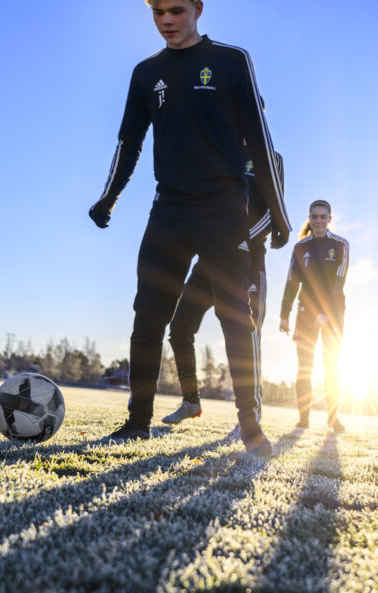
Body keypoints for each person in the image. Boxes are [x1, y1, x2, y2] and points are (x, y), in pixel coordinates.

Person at [88, 0, 290, 456]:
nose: (166, 21)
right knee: (148, 319)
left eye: (176, 10)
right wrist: (109, 197)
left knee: (235, 318)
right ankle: (137, 421)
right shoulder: (145, 73)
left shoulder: (231, 61)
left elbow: (261, 139)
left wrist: (278, 215)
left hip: (223, 213)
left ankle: (250, 428)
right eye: (157, 12)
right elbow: (129, 142)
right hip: (168, 213)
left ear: (198, 8)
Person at [162, 152, 284, 440]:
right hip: (208, 261)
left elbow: (273, 212)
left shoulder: (270, 158)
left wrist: (235, 241)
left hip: (249, 261)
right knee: (180, 328)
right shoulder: (219, 149)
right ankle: (191, 401)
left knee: (248, 337)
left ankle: (249, 420)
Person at [279, 200, 349, 433]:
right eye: (314, 216)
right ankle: (303, 419)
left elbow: (338, 284)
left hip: (333, 315)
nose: (318, 220)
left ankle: (333, 420)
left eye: (323, 216)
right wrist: (284, 314)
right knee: (304, 368)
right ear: (309, 219)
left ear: (330, 219)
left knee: (332, 367)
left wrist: (325, 313)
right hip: (305, 314)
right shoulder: (300, 248)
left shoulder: (341, 245)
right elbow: (291, 282)